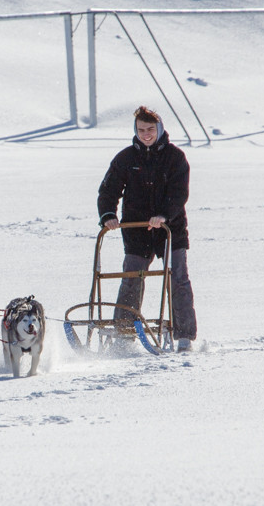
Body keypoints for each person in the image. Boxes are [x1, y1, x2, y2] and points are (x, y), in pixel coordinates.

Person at [98, 106, 197, 351]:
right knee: (132, 278)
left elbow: (179, 193)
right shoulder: (126, 158)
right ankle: (124, 333)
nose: (146, 134)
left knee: (177, 278)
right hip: (136, 229)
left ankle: (184, 336)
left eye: (150, 129)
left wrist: (163, 215)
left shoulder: (175, 157)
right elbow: (108, 190)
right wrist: (108, 215)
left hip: (170, 229)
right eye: (141, 130)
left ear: (160, 128)